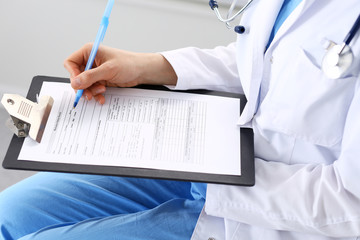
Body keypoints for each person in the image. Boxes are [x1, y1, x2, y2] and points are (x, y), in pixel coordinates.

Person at [1, 0, 360, 239]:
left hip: (270, 213)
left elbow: (351, 204)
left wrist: (208, 172)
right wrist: (152, 67)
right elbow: (270, 62)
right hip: (202, 158)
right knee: (8, 216)